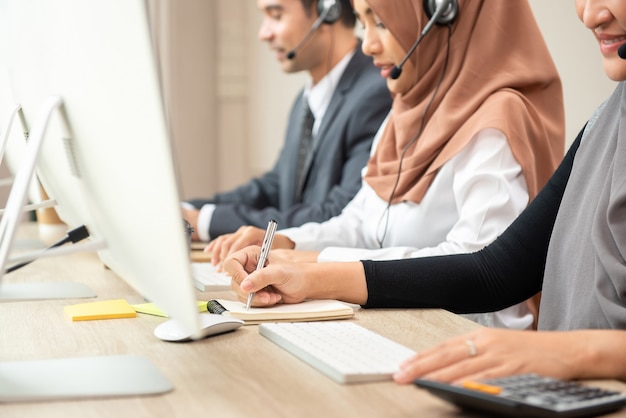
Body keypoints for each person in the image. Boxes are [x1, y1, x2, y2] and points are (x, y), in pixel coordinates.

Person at [223, 0, 626, 384]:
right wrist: (309, 274)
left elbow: (481, 266)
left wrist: (566, 352)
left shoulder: (499, 118)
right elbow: (494, 271)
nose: (591, 13)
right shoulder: (605, 120)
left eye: (379, 20)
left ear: (443, 11)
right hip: (566, 388)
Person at [182, 0, 392, 242]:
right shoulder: (305, 100)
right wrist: (189, 210)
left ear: (327, 10)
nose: (264, 33)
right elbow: (276, 186)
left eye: (276, 15)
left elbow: (338, 216)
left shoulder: (377, 93)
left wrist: (206, 222)